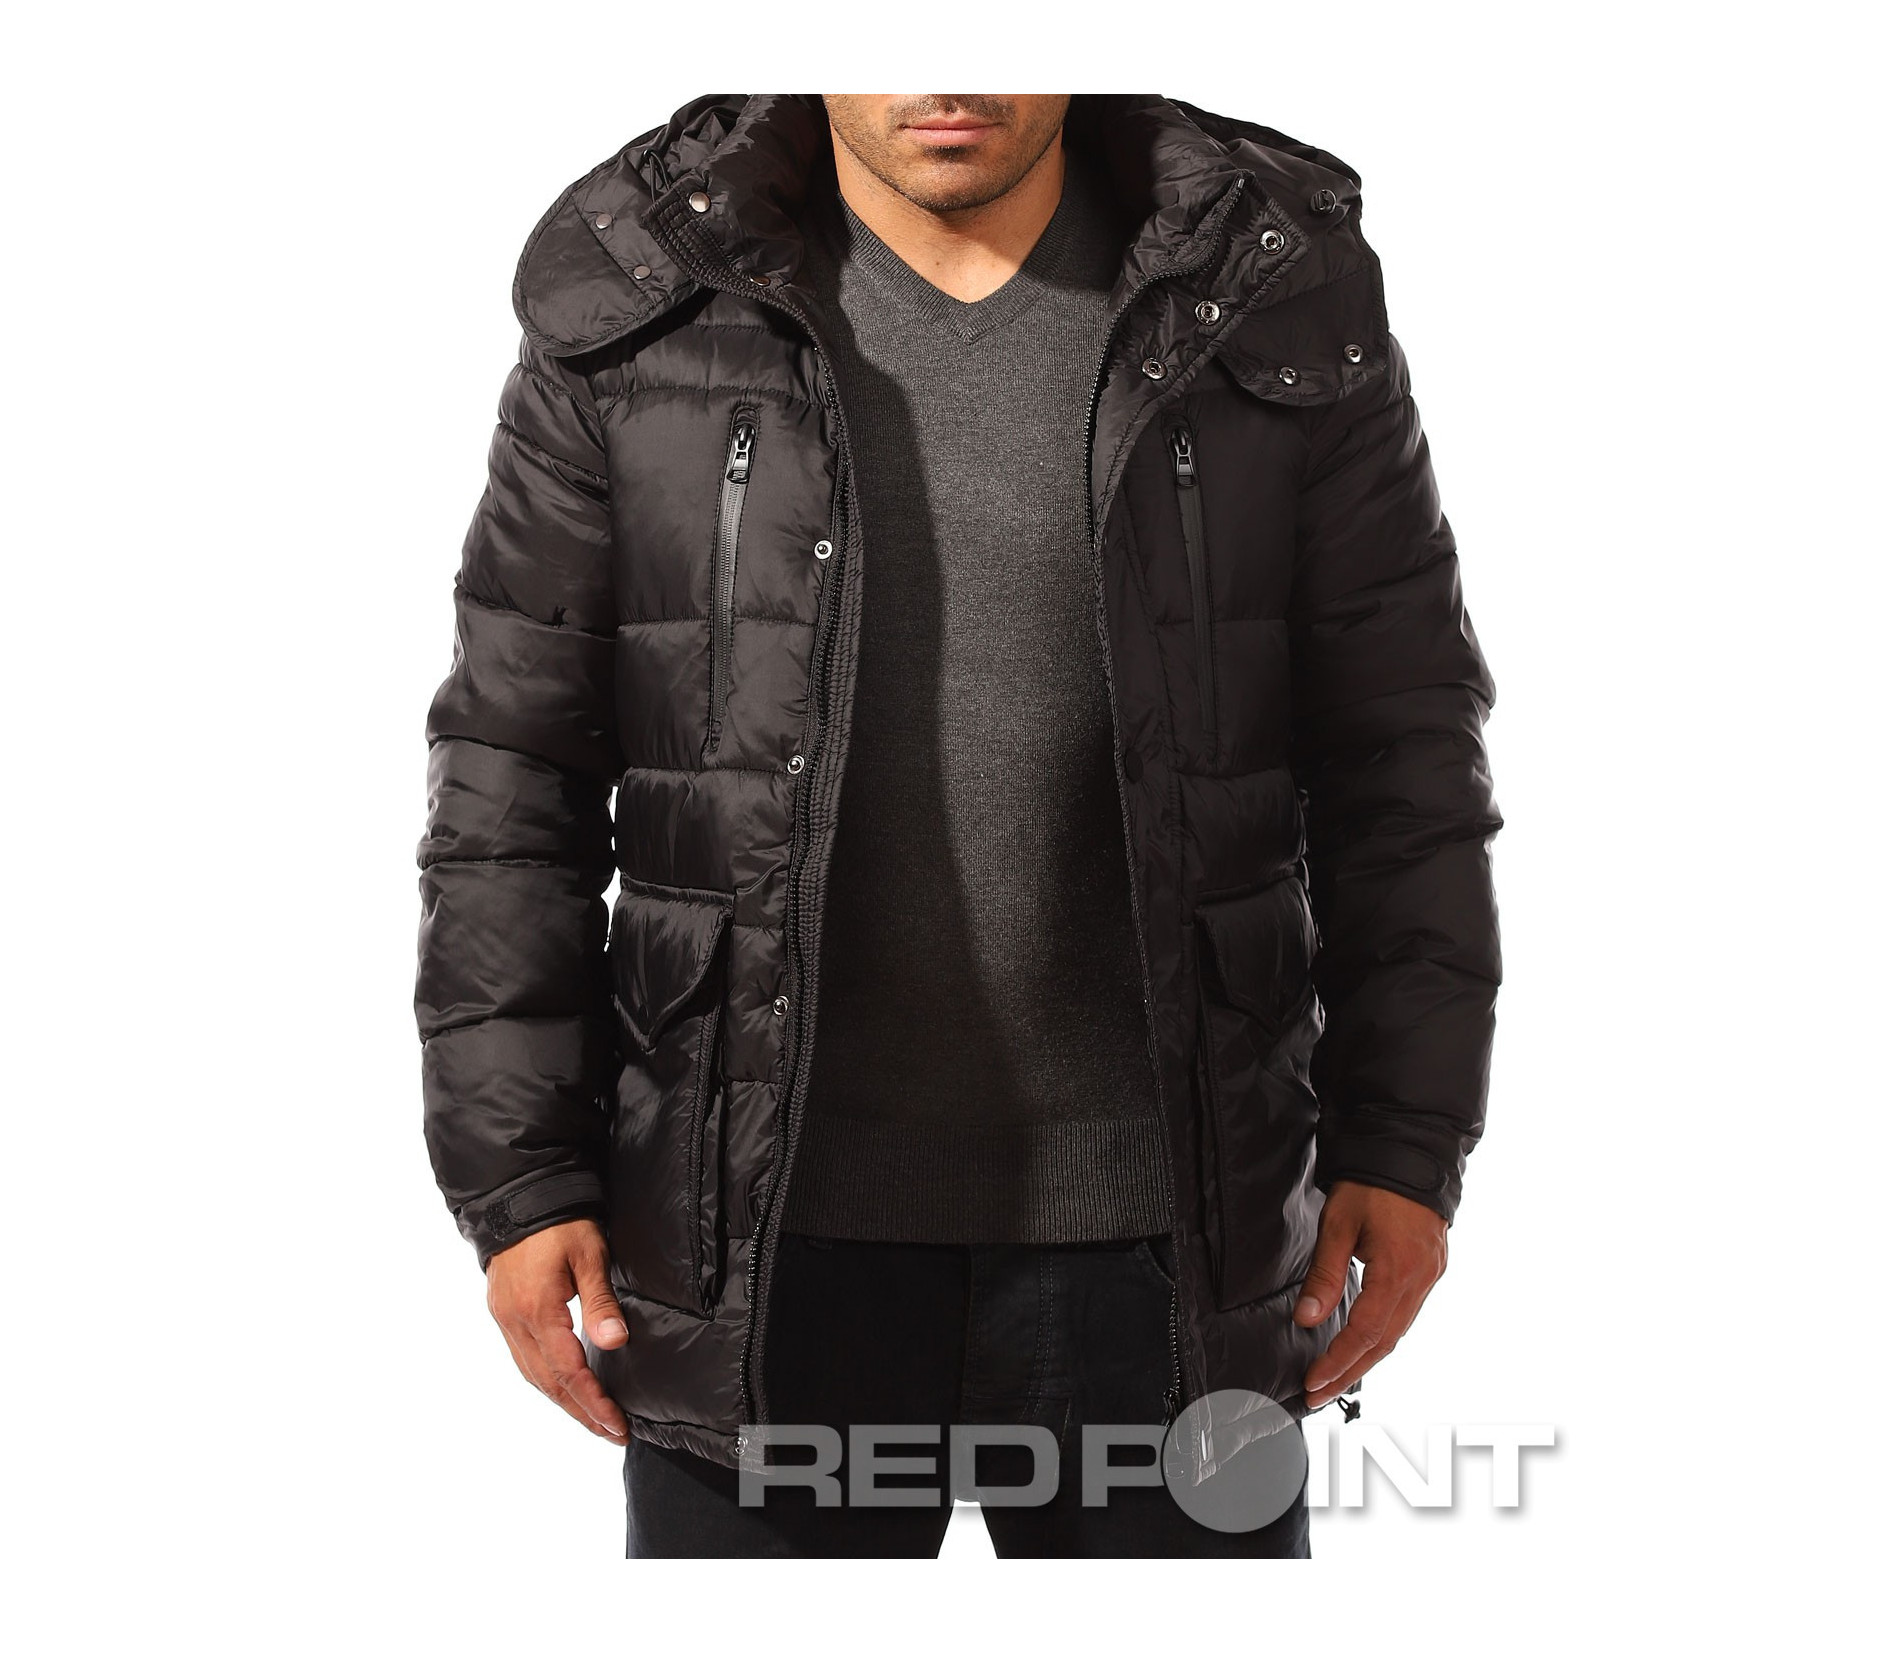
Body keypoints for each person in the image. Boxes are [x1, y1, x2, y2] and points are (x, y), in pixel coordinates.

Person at [414, 92, 1502, 1558]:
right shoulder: (643, 290)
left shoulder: (1262, 277)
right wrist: (522, 1176)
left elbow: (1402, 756)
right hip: (754, 1248)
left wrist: (1405, 1138)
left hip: (1173, 1242)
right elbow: (514, 773)